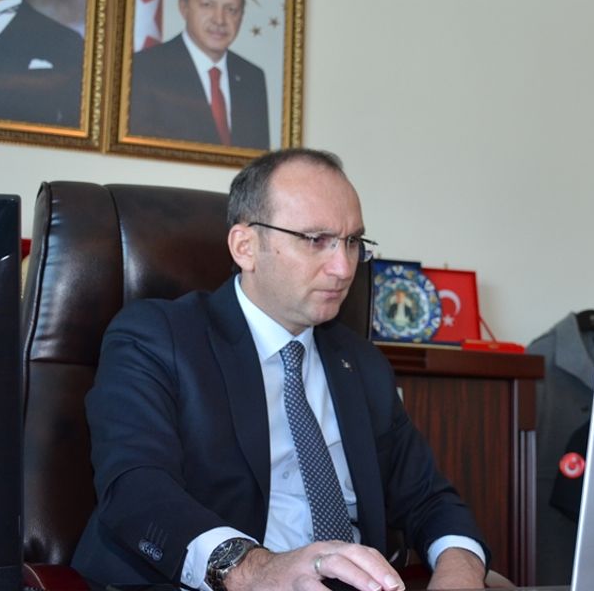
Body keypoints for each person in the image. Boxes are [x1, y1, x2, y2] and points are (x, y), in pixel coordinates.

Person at [71, 148, 489, 591]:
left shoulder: (361, 364)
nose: (343, 268)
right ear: (245, 247)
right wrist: (253, 569)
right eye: (316, 240)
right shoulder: (157, 338)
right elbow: (136, 489)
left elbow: (429, 498)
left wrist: (460, 571)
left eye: (352, 242)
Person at [127, 0, 271, 149]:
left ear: (241, 17)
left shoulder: (252, 77)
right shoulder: (144, 68)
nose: (219, 20)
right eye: (207, 5)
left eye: (231, 10)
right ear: (184, 8)